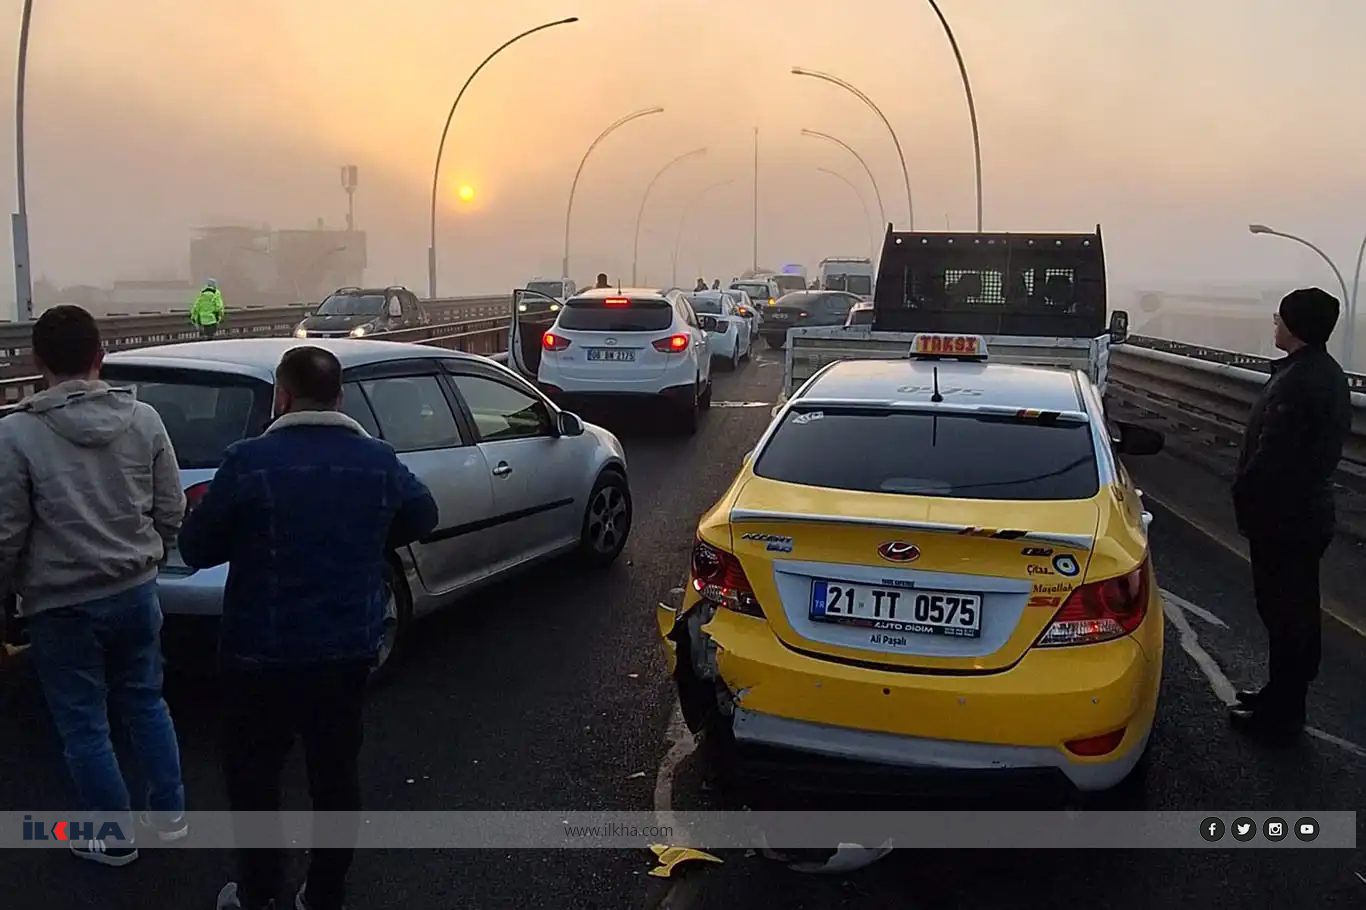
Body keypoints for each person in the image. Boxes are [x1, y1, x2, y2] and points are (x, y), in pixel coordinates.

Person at [179, 346, 439, 910]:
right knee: (335, 777)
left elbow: (196, 547)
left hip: (257, 653)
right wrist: (365, 535)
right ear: (340, 397)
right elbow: (425, 515)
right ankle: (323, 894)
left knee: (254, 780)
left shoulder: (248, 461)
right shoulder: (378, 460)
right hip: (344, 650)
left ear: (282, 396)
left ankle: (257, 892)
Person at [0, 305, 188, 866]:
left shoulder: (16, 433)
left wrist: (8, 593)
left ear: (37, 362)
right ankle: (171, 816)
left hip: (61, 604)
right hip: (136, 592)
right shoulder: (144, 419)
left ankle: (113, 839)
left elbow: (7, 533)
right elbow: (171, 509)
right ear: (99, 356)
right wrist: (149, 551)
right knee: (146, 703)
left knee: (84, 724)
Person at [1229, 288, 1352, 740]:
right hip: (1300, 516)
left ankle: (1282, 712)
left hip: (1286, 519)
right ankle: (1279, 695)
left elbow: (1273, 458)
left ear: (1295, 326)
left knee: (1287, 614)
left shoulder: (1300, 382)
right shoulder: (1318, 373)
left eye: (1279, 318)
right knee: (1289, 611)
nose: (1274, 324)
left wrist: (1244, 495)